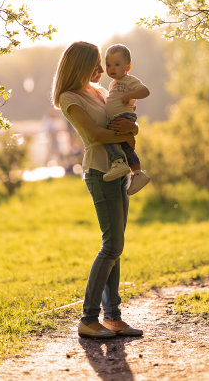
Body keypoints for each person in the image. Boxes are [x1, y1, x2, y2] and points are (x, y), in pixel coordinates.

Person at [52, 41, 143, 339]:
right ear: (81, 65)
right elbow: (94, 133)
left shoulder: (102, 92)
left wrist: (131, 129)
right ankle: (88, 319)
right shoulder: (69, 98)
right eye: (96, 63)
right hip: (99, 172)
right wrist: (126, 132)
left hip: (119, 172)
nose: (102, 70)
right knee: (112, 244)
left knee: (116, 247)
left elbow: (126, 120)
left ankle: (113, 317)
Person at [103, 43, 151, 195]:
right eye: (109, 65)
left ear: (127, 67)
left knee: (107, 135)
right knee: (126, 146)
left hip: (123, 117)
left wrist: (130, 96)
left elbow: (145, 91)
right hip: (120, 116)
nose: (112, 68)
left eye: (117, 64)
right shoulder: (112, 83)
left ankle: (118, 162)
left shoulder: (129, 80)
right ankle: (137, 173)